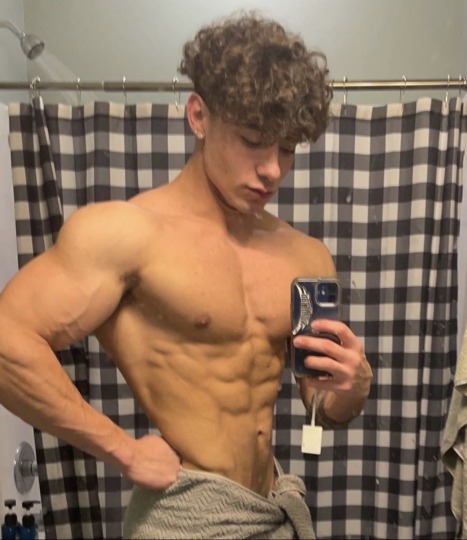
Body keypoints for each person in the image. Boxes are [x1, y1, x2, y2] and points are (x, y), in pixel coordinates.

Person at [0, 12, 372, 539]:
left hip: (271, 510)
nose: (273, 169)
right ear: (199, 115)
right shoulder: (127, 235)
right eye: (253, 140)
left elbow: (321, 407)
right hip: (184, 518)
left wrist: (354, 386)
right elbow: (6, 341)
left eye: (288, 148)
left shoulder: (305, 256)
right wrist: (123, 450)